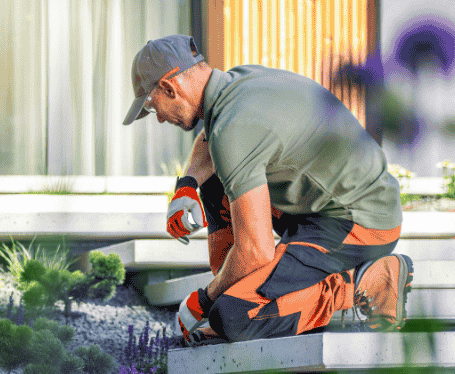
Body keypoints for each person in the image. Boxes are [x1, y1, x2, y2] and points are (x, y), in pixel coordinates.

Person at [122, 34, 413, 345]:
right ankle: (237, 284)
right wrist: (187, 185)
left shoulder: (234, 129)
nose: (159, 118)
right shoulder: (239, 83)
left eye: (152, 106)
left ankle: (366, 283)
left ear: (169, 88)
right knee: (213, 181)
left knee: (234, 316)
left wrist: (204, 301)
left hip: (361, 223)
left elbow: (256, 252)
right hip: (327, 204)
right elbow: (210, 136)